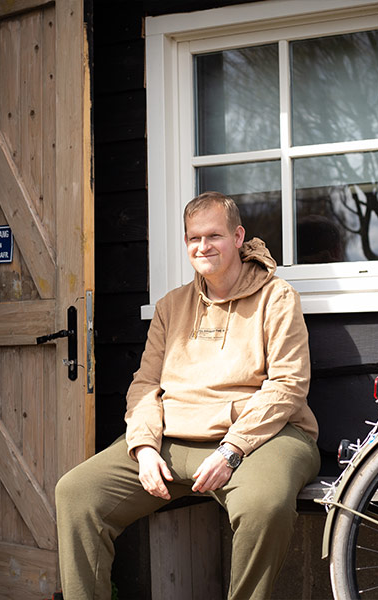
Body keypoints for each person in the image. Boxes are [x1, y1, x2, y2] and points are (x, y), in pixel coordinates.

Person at [55, 191, 320, 600]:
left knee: (264, 506)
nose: (203, 246)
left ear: (237, 236)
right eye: (193, 238)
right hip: (175, 437)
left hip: (263, 436)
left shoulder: (277, 297)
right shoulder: (171, 306)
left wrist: (233, 449)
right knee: (76, 493)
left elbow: (288, 385)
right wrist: (143, 447)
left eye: (213, 235)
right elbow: (145, 386)